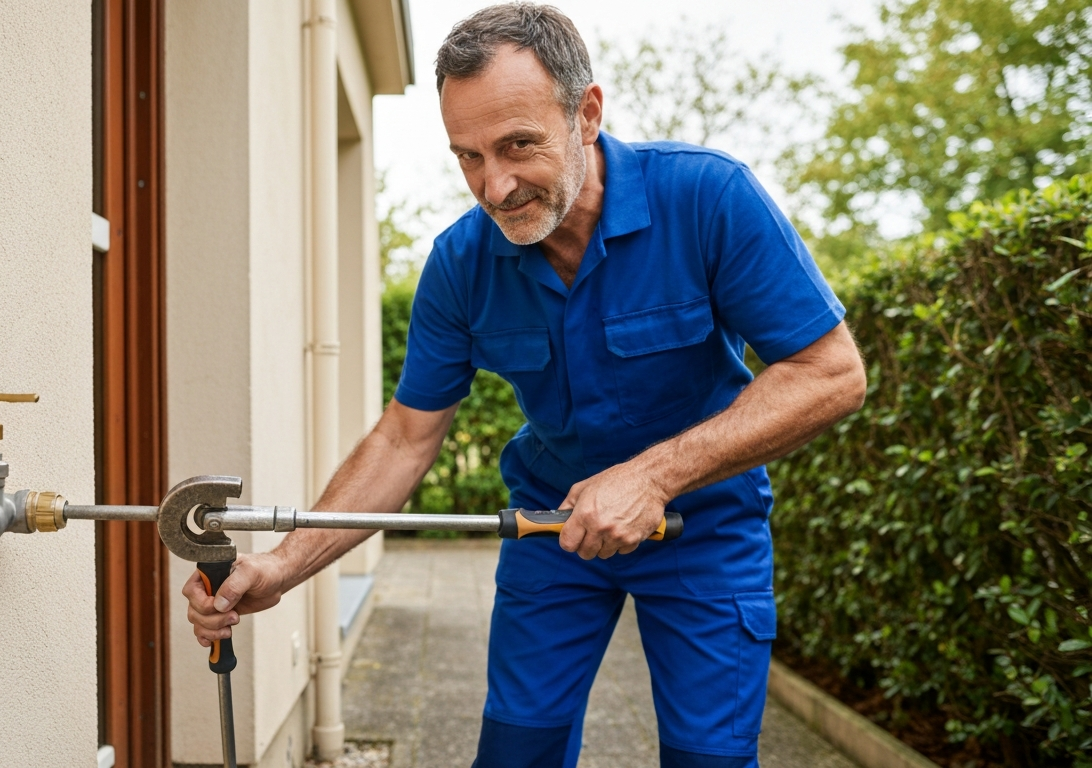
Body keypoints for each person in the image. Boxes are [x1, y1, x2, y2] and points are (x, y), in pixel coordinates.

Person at [183, 4, 866, 766]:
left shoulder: (709, 200)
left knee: (710, 756)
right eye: (468, 157)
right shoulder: (459, 265)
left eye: (517, 145)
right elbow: (406, 438)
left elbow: (830, 373)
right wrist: (282, 565)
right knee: (517, 751)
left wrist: (653, 476)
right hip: (552, 530)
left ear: (587, 114)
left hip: (702, 528)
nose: (495, 185)